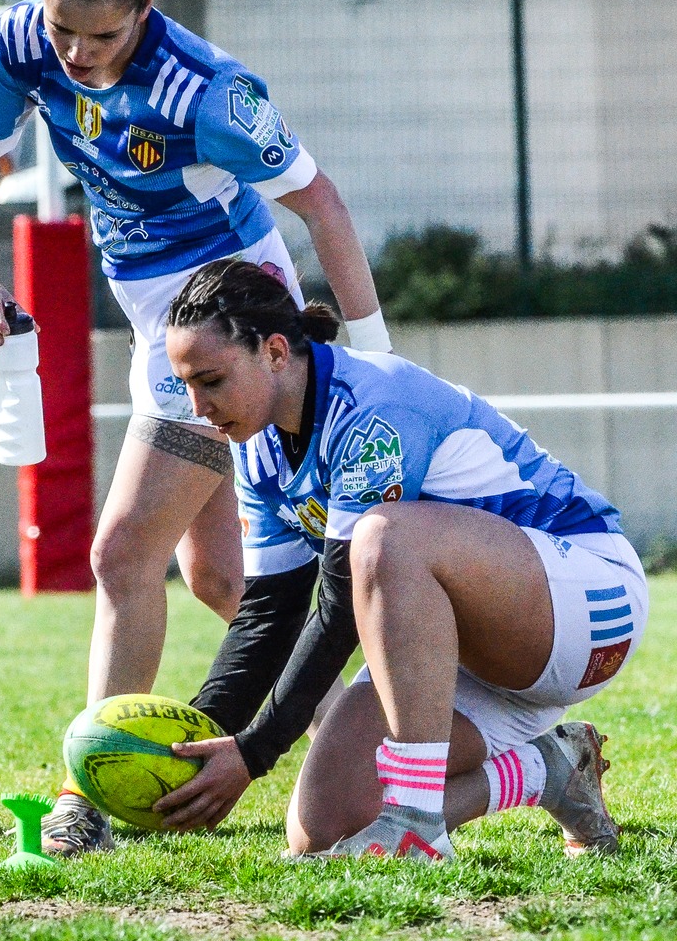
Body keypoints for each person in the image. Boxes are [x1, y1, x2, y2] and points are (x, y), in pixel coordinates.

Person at [0, 0, 392, 855]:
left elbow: (323, 206)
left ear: (146, 7)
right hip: (156, 321)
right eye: (64, 32)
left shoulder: (210, 90)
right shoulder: (22, 42)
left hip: (224, 325)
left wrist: (379, 361)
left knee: (118, 555)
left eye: (102, 38)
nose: (77, 56)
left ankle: (83, 801)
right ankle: (394, 751)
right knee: (226, 582)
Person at [143, 259, 641, 861]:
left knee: (384, 539)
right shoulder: (258, 446)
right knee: (321, 832)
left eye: (212, 380)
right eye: (187, 385)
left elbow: (339, 605)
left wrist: (255, 752)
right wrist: (182, 748)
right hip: (467, 644)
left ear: (274, 351)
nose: (198, 407)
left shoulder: (373, 408)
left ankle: (414, 821)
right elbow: (268, 615)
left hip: (588, 606)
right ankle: (550, 770)